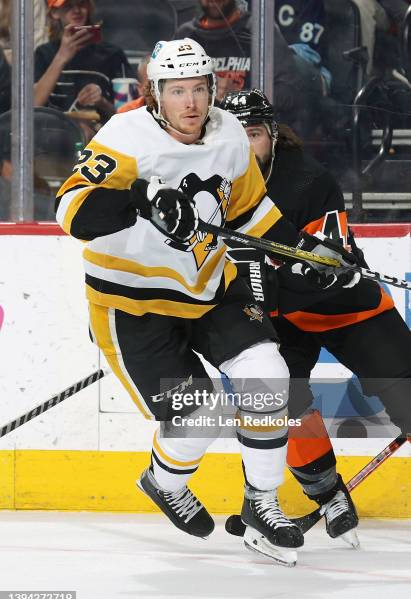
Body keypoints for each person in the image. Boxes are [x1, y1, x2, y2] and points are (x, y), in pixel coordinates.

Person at [55, 39, 360, 564]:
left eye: (199, 88)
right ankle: (164, 479)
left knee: (267, 374)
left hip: (210, 287)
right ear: (156, 93)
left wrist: (302, 250)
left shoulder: (227, 136)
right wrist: (139, 200)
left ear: (213, 87)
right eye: (178, 91)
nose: (191, 102)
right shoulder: (125, 137)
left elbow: (248, 210)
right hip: (134, 304)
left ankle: (262, 503)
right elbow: (71, 210)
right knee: (202, 416)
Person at [221, 88, 411, 543]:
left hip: (349, 310)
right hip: (282, 318)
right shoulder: (211, 186)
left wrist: (318, 268)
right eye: (234, 136)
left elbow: (327, 268)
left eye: (253, 135)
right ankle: (327, 493)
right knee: (275, 396)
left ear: (271, 135)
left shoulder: (309, 181)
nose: (245, 147)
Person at [173, 0, 324, 131]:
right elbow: (171, 97)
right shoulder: (186, 36)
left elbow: (291, 93)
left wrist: (241, 97)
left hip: (252, 137)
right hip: (201, 138)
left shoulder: (260, 32)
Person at [34, 0, 132, 122]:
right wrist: (61, 57)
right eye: (68, 6)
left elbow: (129, 116)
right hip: (53, 132)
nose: (76, 11)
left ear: (89, 7)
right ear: (54, 12)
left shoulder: (112, 54)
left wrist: (101, 102)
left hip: (100, 134)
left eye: (81, 4)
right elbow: (33, 104)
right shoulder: (44, 53)